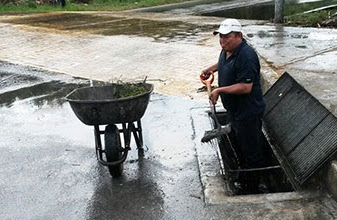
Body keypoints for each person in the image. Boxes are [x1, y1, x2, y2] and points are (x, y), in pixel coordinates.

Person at [200, 18, 268, 194]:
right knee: (239, 145)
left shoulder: (247, 55)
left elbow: (246, 87)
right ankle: (243, 177)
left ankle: (254, 186)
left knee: (251, 150)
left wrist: (219, 90)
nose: (222, 41)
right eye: (220, 37)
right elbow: (223, 63)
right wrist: (211, 69)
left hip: (248, 112)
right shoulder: (226, 50)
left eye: (227, 37)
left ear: (238, 36)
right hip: (234, 110)